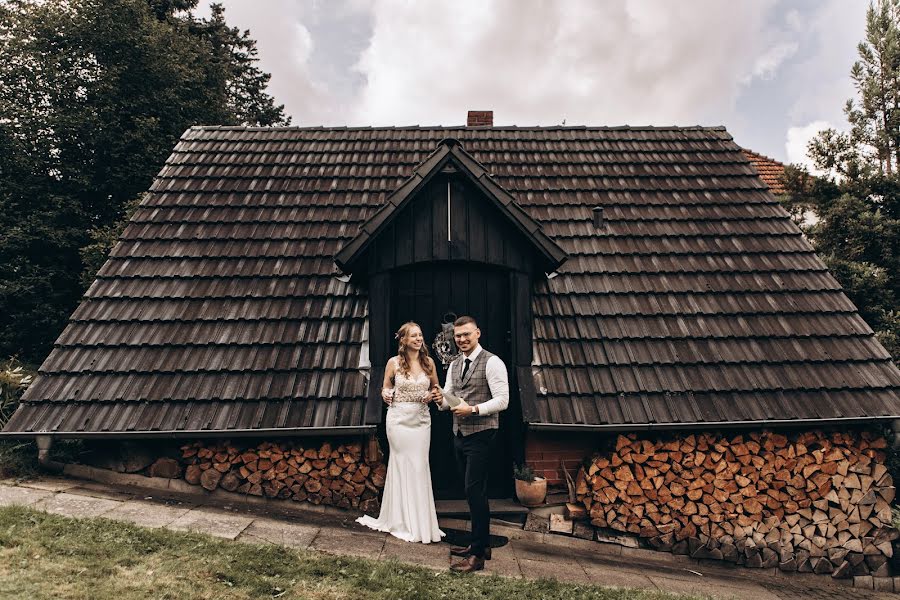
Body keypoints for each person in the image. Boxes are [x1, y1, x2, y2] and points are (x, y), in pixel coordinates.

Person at [356, 322, 445, 544]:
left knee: (419, 466)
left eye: (420, 335)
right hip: (398, 420)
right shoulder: (393, 363)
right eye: (413, 335)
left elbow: (437, 388)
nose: (418, 339)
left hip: (421, 420)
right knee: (401, 464)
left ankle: (420, 522)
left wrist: (431, 395)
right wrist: (386, 394)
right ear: (403, 340)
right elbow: (385, 387)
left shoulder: (429, 363)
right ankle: (400, 519)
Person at [434, 315, 509, 572]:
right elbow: (449, 400)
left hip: (482, 435)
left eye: (467, 334)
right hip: (460, 435)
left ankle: (477, 557)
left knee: (474, 492)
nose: (462, 339)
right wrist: (438, 399)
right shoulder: (455, 364)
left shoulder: (493, 362)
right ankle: (482, 544)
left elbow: (502, 401)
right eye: (458, 336)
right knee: (473, 492)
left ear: (478, 333)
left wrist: (474, 410)